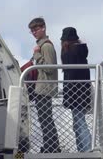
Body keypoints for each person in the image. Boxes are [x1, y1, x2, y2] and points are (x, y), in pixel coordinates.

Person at [28, 17, 61, 153]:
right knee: (44, 119)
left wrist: (36, 54)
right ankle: (51, 146)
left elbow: (49, 68)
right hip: (42, 88)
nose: (34, 32)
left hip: (44, 88)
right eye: (32, 31)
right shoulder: (43, 45)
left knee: (46, 119)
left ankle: (51, 147)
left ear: (43, 28)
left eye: (36, 29)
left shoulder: (46, 46)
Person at [60, 27, 92, 152]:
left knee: (79, 122)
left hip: (74, 92)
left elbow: (70, 75)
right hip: (83, 90)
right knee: (78, 121)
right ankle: (83, 149)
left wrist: (67, 94)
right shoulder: (81, 51)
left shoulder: (68, 53)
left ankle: (87, 148)